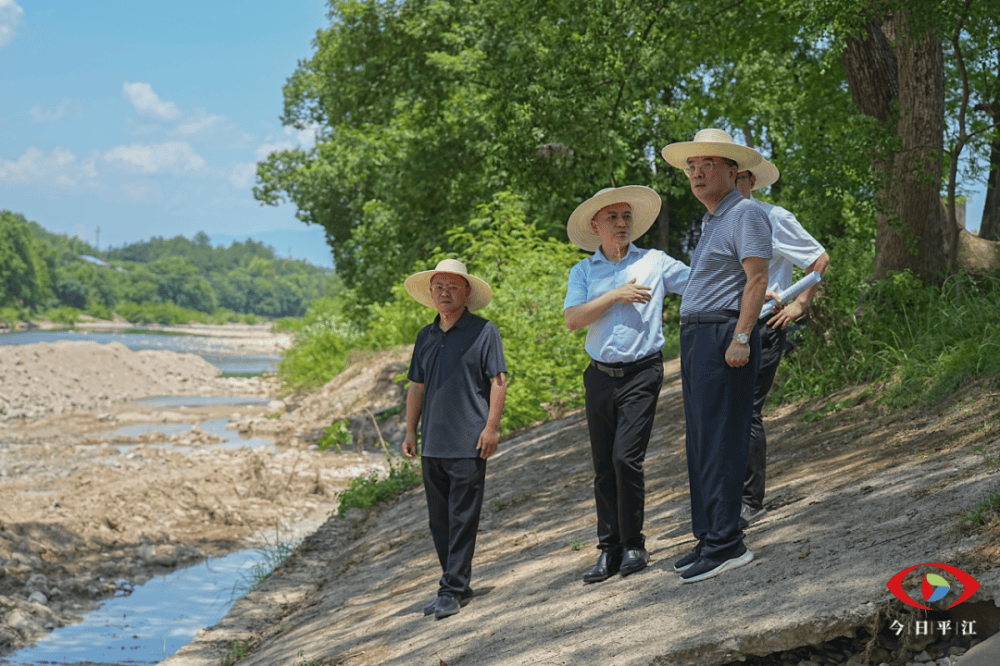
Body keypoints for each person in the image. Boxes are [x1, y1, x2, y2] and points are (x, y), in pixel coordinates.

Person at [660, 129, 772, 583]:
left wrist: (742, 338)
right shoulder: (713, 220)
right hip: (697, 338)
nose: (697, 172)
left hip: (725, 333)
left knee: (723, 439)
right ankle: (709, 535)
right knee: (701, 441)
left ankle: (729, 543)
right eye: (691, 166)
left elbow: (758, 280)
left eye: (707, 164)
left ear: (733, 170)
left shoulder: (746, 212)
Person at [563, 186, 690, 583]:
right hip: (599, 377)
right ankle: (609, 549)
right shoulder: (584, 272)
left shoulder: (654, 261)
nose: (621, 224)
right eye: (613, 218)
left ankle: (634, 543)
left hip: (642, 373)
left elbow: (700, 283)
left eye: (626, 217)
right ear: (596, 225)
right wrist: (615, 295)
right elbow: (573, 319)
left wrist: (757, 284)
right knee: (603, 468)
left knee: (625, 459)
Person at [402, 259, 508, 619]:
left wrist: (491, 428)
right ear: (430, 293)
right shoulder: (425, 336)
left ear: (466, 292)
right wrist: (409, 432)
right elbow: (416, 388)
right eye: (438, 287)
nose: (444, 293)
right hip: (431, 444)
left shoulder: (483, 331)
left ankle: (451, 589)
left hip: (468, 443)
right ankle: (456, 583)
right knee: (439, 522)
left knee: (463, 519)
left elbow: (498, 381)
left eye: (452, 287)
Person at [736, 159, 830, 529]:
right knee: (732, 411)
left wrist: (799, 304)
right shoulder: (718, 221)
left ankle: (750, 501)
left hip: (765, 326)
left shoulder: (773, 216)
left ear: (751, 180)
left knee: (748, 410)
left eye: (738, 176)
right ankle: (734, 496)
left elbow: (818, 259)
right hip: (733, 328)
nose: (732, 183)